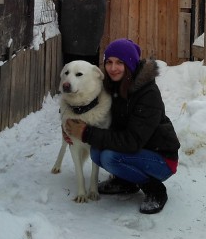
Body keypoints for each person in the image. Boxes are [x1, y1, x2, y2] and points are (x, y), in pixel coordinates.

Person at [65, 38, 180, 214]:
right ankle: (126, 181)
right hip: (138, 151)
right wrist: (69, 128)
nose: (113, 68)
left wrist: (86, 133)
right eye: (109, 62)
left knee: (110, 157)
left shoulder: (148, 94)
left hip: (162, 158)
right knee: (97, 153)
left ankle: (155, 190)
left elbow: (132, 141)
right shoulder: (113, 86)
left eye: (120, 62)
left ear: (131, 63)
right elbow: (89, 109)